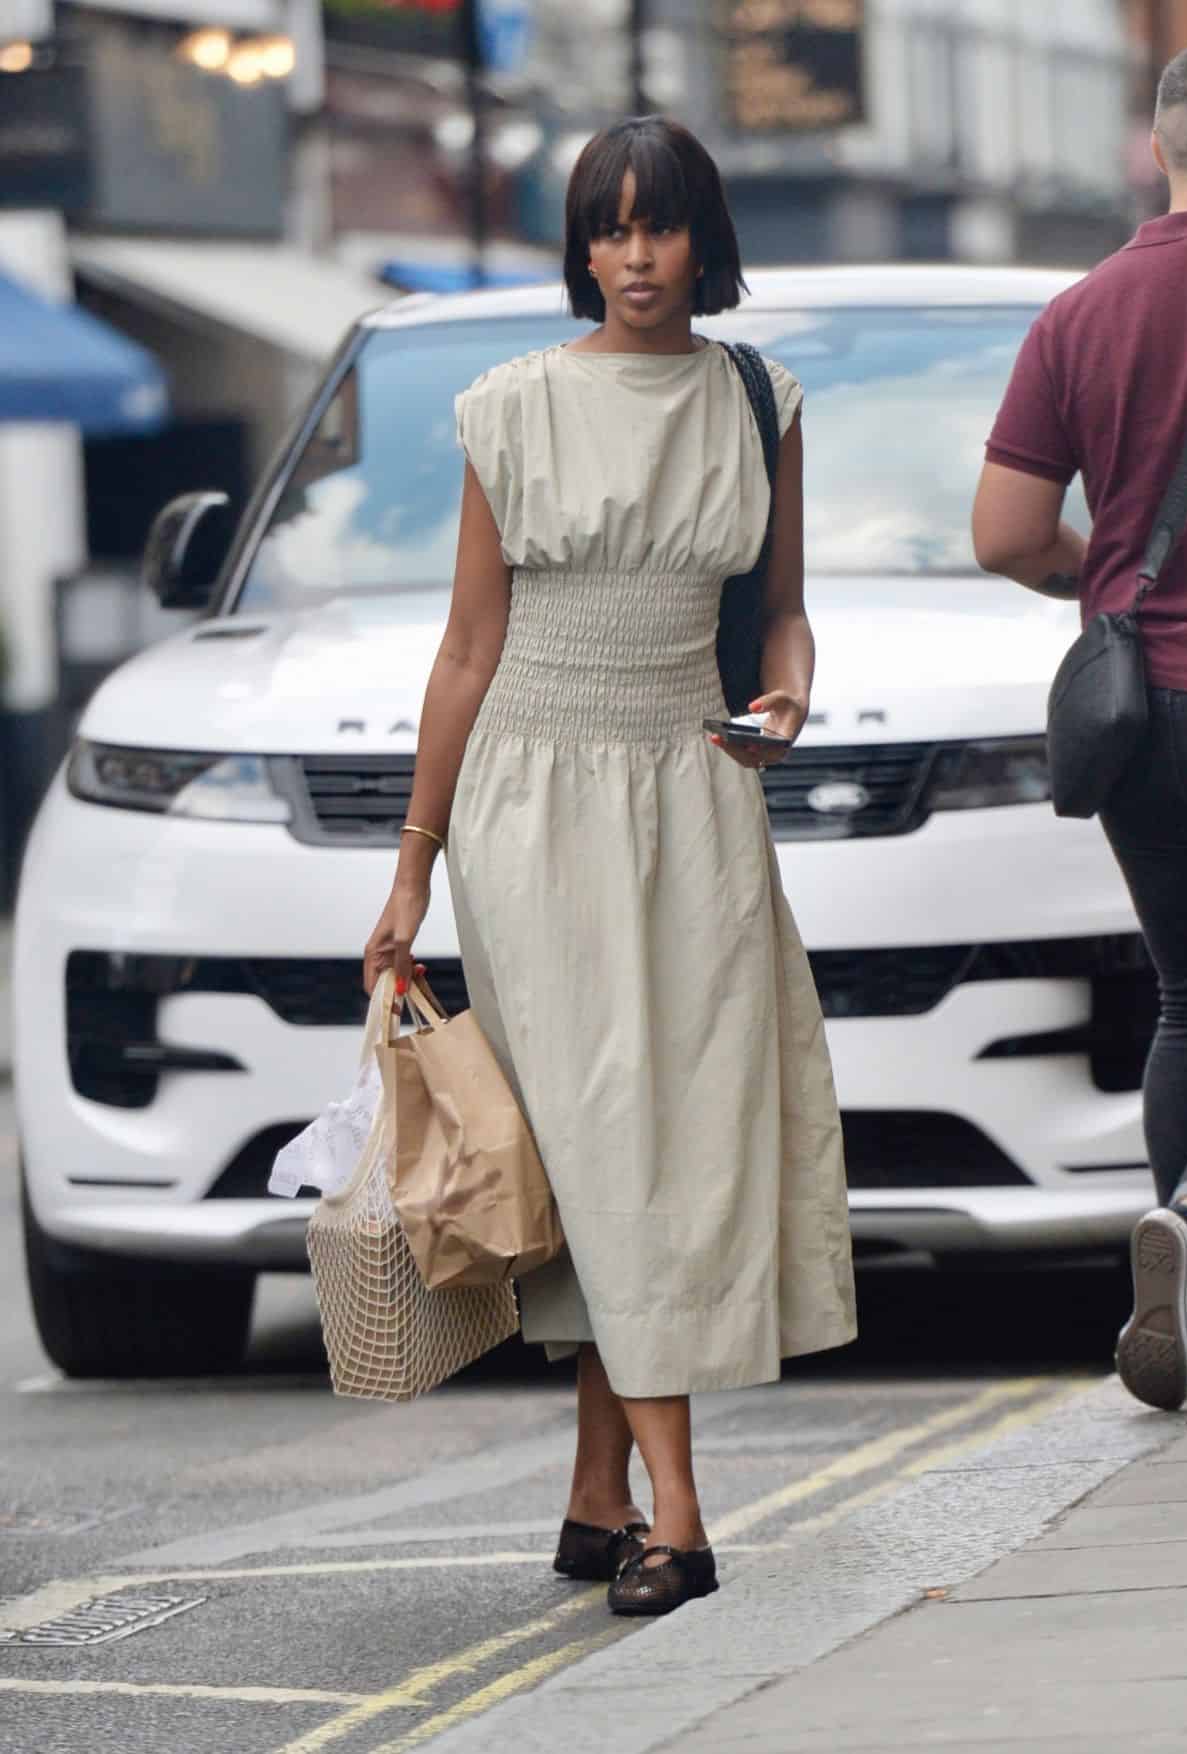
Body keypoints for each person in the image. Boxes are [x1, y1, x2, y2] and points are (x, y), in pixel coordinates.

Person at [362, 116, 857, 1611]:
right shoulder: (508, 408)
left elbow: (780, 612)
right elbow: (464, 648)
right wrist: (411, 867)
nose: (636, 256)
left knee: (663, 1139)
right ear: (580, 251)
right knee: (605, 1136)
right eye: (609, 229)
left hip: (696, 785)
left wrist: (789, 698)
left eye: (661, 226)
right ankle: (684, 1517)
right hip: (532, 801)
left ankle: (596, 1496)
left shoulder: (759, 395)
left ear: (706, 238)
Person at [972, 35, 1187, 1414]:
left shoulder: (1077, 313)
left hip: (1135, 714)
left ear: (1159, 150)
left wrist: (1104, 575)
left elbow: (1007, 535)